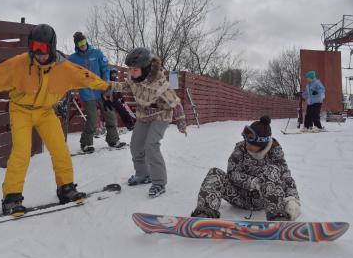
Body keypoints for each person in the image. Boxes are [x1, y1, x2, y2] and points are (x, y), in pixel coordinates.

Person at [0, 24, 110, 215]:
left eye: (43, 49)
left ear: (52, 47)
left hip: (45, 112)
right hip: (21, 111)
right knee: (21, 152)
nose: (39, 54)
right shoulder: (19, 64)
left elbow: (87, 77)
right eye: (34, 48)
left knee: (60, 149)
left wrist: (105, 87)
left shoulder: (65, 68)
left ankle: (66, 188)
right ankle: (11, 197)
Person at [109, 47, 187, 198]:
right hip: (144, 114)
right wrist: (107, 85)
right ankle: (143, 174)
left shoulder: (160, 82)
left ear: (145, 68)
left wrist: (181, 123)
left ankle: (159, 182)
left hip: (161, 114)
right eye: (130, 69)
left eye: (135, 69)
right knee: (136, 145)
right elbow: (124, 86)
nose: (131, 72)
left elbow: (175, 103)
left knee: (151, 145)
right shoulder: (133, 78)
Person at [191, 116, 301, 221]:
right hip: (239, 197)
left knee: (273, 170)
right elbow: (232, 173)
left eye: (251, 143)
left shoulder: (274, 152)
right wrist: (252, 182)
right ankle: (205, 212)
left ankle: (277, 215)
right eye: (246, 140)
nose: (247, 144)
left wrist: (293, 199)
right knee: (214, 173)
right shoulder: (240, 148)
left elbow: (286, 177)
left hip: (264, 200)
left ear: (262, 144)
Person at [68, 32, 125, 153]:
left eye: (84, 42)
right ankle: (86, 143)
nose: (83, 45)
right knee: (93, 118)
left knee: (110, 115)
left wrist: (106, 85)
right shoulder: (73, 59)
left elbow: (105, 69)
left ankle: (113, 139)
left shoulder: (97, 53)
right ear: (76, 45)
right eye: (80, 44)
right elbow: (65, 70)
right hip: (87, 93)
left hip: (101, 91)